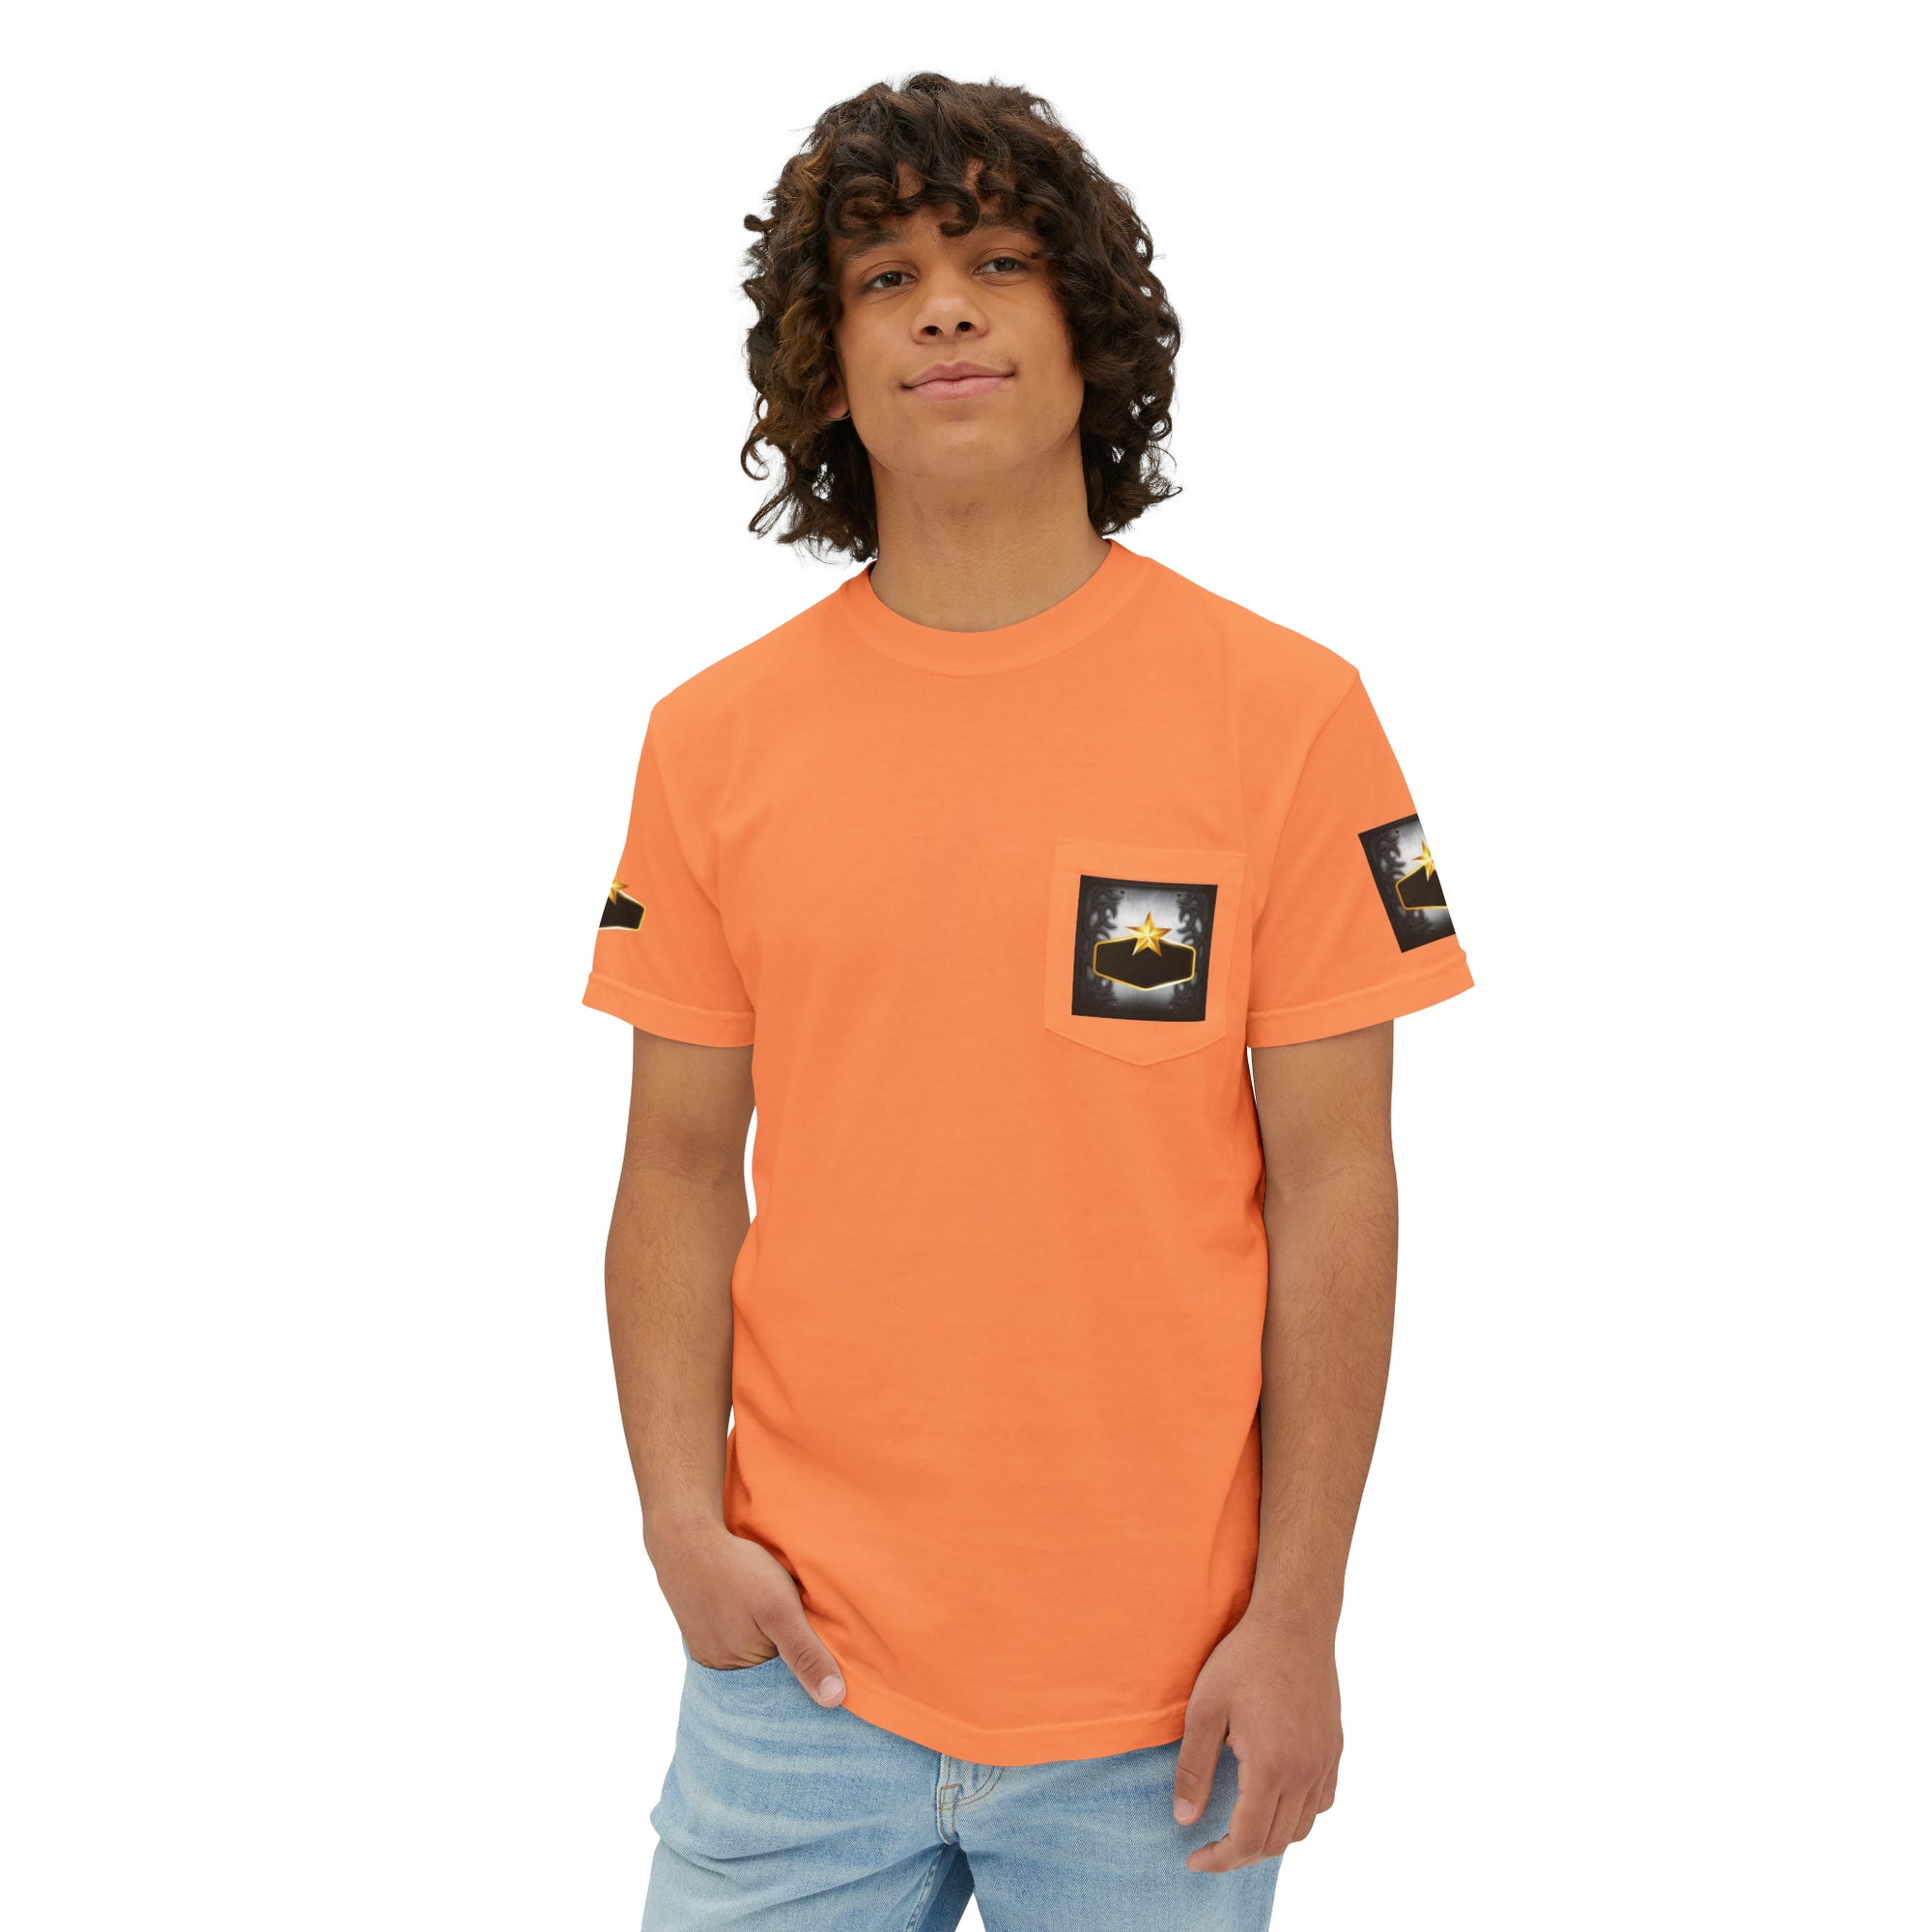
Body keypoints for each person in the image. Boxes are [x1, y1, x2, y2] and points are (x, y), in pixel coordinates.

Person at [582, 71, 1473, 1932]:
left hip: (1170, 1698)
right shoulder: (712, 740)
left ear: (1092, 334)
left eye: (997, 261)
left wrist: (1299, 1618)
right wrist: (679, 1524)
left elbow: (1340, 1185)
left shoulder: (1289, 717)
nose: (945, 308)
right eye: (885, 277)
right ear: (828, 368)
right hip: (794, 1674)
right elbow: (675, 1164)